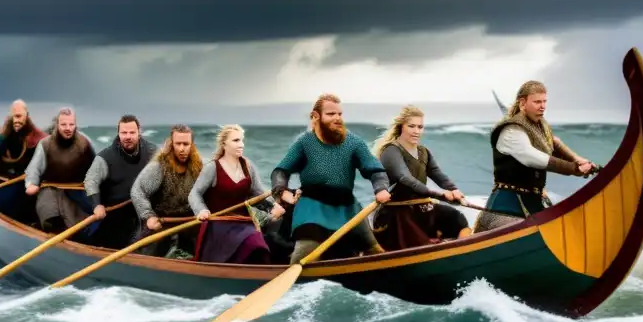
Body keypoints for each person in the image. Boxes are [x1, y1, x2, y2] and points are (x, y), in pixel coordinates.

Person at [270, 93, 391, 263]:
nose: (337, 118)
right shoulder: (305, 143)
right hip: (312, 208)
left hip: (347, 209)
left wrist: (381, 188)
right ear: (316, 116)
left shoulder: (354, 143)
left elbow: (375, 170)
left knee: (375, 251)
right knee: (304, 257)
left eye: (340, 114)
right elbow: (280, 171)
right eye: (331, 114)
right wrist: (282, 191)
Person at [473, 80, 598, 233]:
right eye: (537, 102)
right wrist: (573, 168)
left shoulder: (538, 126)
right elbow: (531, 157)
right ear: (523, 103)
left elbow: (553, 143)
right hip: (504, 210)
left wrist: (578, 160)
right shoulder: (511, 130)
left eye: (544, 101)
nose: (542, 106)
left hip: (533, 206)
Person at [371, 105, 472, 249]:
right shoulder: (391, 150)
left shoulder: (423, 151)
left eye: (420, 127)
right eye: (411, 126)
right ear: (401, 127)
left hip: (421, 205)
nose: (416, 131)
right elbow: (405, 178)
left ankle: (462, 253)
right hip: (396, 212)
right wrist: (441, 195)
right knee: (417, 242)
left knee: (457, 218)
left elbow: (437, 173)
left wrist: (453, 189)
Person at [189, 124, 283, 264]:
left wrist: (273, 206)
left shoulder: (247, 166)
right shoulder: (212, 168)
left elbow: (258, 194)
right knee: (253, 244)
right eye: (236, 140)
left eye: (242, 140)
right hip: (219, 225)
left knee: (260, 247)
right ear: (224, 144)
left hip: (244, 222)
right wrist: (201, 210)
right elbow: (194, 194)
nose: (241, 144)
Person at [83, 115, 158, 249]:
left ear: (139, 132)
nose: (128, 136)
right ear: (118, 133)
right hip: (115, 216)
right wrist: (96, 205)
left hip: (144, 212)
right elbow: (90, 181)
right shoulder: (105, 157)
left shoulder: (154, 152)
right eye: (124, 132)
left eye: (132, 132)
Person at [129, 124, 203, 257]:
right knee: (149, 253)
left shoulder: (198, 167)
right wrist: (148, 216)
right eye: (178, 144)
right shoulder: (159, 167)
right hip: (161, 220)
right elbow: (138, 191)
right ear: (171, 144)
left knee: (205, 241)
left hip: (188, 220)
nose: (182, 149)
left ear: (192, 145)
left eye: (186, 144)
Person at [24, 107, 97, 235]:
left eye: (71, 124)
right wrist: (31, 184)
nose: (68, 128)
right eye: (63, 124)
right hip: (50, 187)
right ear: (57, 125)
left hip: (78, 188)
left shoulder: (84, 143)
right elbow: (34, 169)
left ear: (75, 125)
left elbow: (96, 168)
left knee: (95, 212)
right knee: (48, 213)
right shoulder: (45, 144)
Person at [0, 99, 46, 223]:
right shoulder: (2, 137)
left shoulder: (37, 138)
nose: (15, 120)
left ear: (27, 116)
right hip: (6, 179)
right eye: (13, 117)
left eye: (19, 116)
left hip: (28, 182)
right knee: (1, 203)